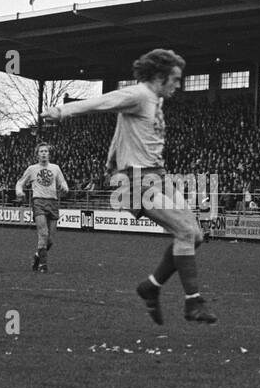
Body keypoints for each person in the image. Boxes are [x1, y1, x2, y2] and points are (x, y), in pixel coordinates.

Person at [42, 48, 216, 324]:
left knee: (195, 235)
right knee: (184, 231)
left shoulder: (155, 100)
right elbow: (103, 101)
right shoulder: (139, 95)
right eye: (176, 79)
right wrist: (62, 111)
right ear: (160, 77)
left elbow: (122, 129)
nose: (178, 85)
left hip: (158, 175)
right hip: (136, 181)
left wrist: (111, 157)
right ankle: (193, 302)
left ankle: (151, 287)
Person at [15, 143, 69, 272]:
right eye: (41, 151)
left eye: (46, 151)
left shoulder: (55, 168)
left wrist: (65, 187)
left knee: (50, 240)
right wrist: (19, 191)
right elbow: (20, 183)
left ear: (49, 154)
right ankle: (43, 265)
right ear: (37, 154)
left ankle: (38, 256)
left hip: (53, 202)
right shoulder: (32, 169)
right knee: (43, 233)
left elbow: (62, 181)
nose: (44, 153)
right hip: (38, 201)